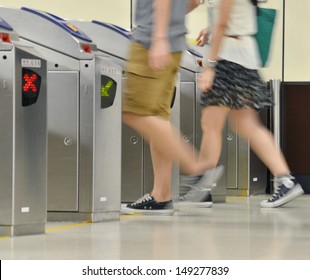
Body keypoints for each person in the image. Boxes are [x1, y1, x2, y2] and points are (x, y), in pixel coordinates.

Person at [196, 0, 304, 208]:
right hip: (243, 55)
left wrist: (209, 65)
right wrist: (211, 29)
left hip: (229, 59)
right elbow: (233, 18)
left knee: (212, 122)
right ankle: (286, 180)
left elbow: (223, 24)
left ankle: (202, 189)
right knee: (246, 125)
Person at [121, 0, 223, 215]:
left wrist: (159, 37)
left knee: (134, 112)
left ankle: (197, 169)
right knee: (156, 117)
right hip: (174, 42)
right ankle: (161, 196)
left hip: (152, 39)